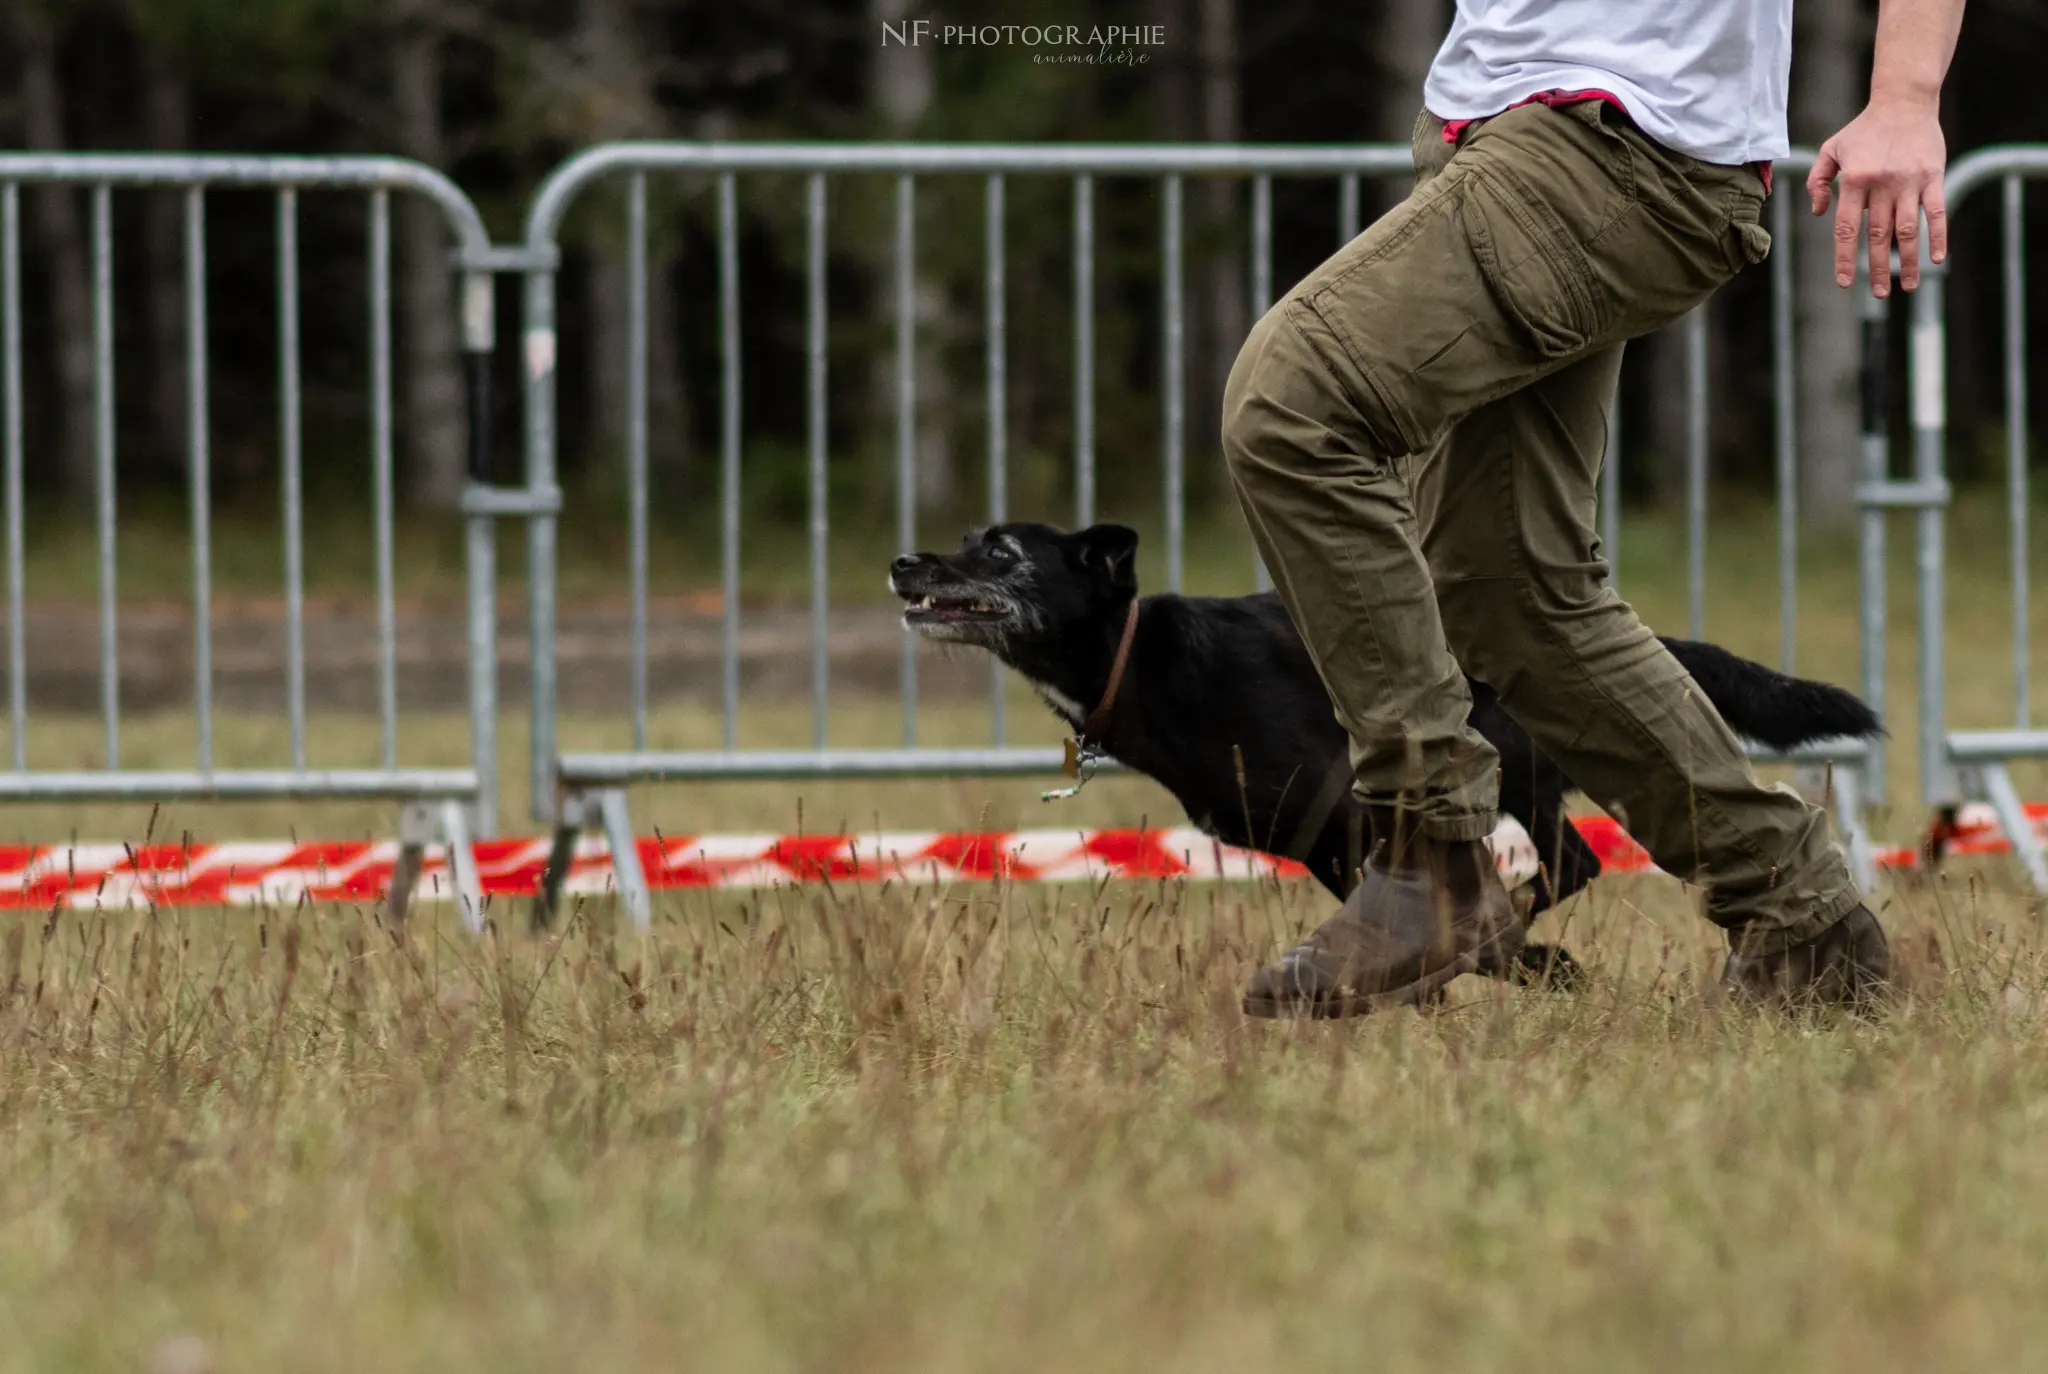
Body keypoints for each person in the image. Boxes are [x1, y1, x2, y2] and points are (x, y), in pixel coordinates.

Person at [1223, 0, 1964, 1017]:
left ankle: (1428, 854)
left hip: (1615, 132)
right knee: (1509, 586)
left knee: (1291, 406)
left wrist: (1905, 97)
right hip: (1506, 121)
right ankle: (1804, 925)